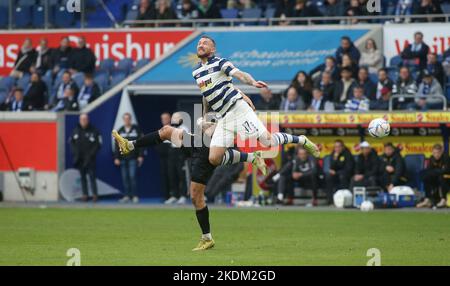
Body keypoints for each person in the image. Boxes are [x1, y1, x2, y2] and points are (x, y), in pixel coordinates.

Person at [112, 110, 266, 251]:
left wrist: (205, 123)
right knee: (166, 130)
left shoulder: (232, 105)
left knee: (195, 196)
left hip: (206, 154)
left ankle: (207, 238)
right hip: (197, 142)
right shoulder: (212, 94)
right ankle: (130, 145)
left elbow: (220, 131)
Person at [69, 113, 102, 202]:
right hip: (80, 159)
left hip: (90, 159)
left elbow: (98, 144)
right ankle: (85, 194)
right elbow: (71, 143)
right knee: (82, 177)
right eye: (82, 119)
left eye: (85, 119)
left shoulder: (94, 130)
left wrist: (91, 154)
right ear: (80, 120)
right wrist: (76, 154)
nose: (83, 121)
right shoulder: (76, 130)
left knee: (92, 177)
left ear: (88, 120)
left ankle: (94, 194)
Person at [114, 113, 144, 204]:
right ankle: (127, 196)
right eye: (125, 119)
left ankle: (134, 196)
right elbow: (116, 145)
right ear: (123, 120)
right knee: (125, 178)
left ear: (130, 119)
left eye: (128, 119)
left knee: (132, 177)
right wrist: (116, 157)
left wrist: (140, 155)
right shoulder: (120, 130)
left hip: (133, 157)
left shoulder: (136, 129)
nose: (127, 120)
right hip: (123, 158)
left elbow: (141, 143)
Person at [417, 144, 449, 208]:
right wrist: (437, 171)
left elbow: (445, 170)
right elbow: (429, 170)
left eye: (438, 153)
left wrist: (435, 171)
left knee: (441, 177)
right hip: (436, 178)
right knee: (426, 177)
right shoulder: (431, 158)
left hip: (446, 179)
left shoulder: (446, 158)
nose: (436, 155)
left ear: (441, 152)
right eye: (434, 153)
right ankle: (427, 199)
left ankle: (443, 200)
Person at [325, 140, 354, 205]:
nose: (337, 148)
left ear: (343, 147)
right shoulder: (334, 154)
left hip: (345, 174)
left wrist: (337, 173)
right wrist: (335, 158)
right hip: (336, 174)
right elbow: (332, 167)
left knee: (342, 176)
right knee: (328, 177)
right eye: (335, 147)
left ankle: (344, 199)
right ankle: (330, 200)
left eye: (338, 147)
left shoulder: (347, 154)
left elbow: (348, 169)